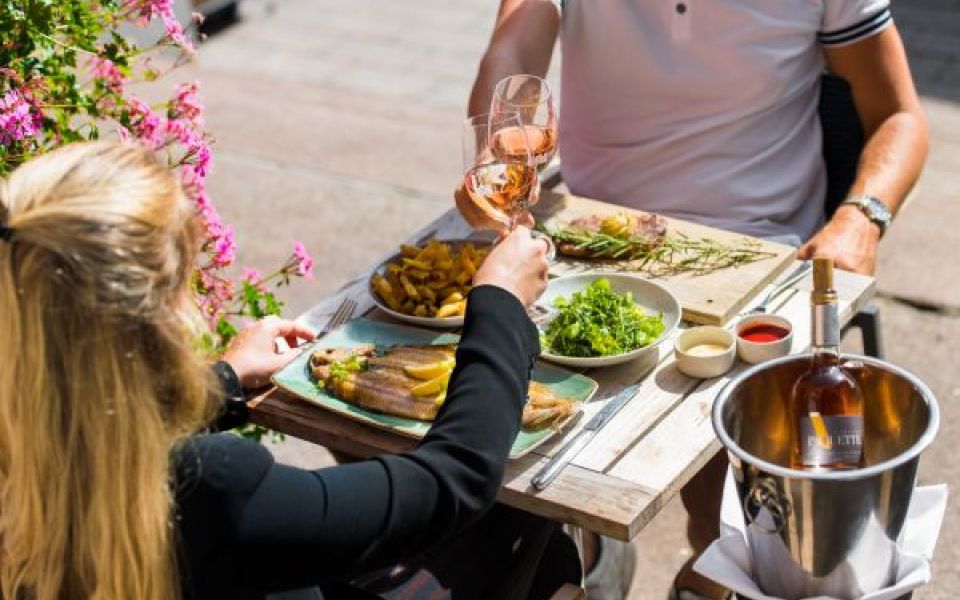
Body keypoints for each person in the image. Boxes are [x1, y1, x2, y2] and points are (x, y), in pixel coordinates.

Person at [457, 1, 929, 598]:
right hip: (589, 241)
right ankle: (582, 555)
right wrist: (497, 147)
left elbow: (899, 115)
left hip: (761, 252)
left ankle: (706, 570)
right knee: (442, 407)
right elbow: (517, 45)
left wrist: (863, 215)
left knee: (739, 510)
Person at [0, 142, 560, 599]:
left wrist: (221, 381)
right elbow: (451, 481)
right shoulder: (207, 489)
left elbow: (86, 419)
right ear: (159, 314)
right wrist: (500, 304)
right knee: (532, 540)